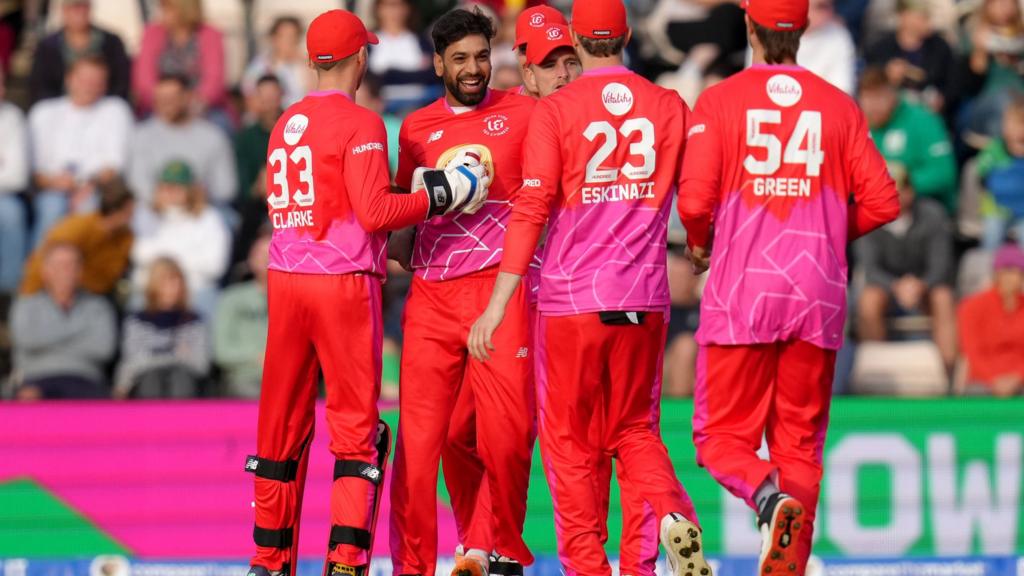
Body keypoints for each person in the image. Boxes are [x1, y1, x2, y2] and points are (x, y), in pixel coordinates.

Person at [468, 1, 708, 574]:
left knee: (570, 447)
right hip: (645, 298)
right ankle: (668, 521)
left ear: (576, 39)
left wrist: (498, 303)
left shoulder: (557, 111)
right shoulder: (669, 104)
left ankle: (586, 568)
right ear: (627, 34)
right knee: (636, 432)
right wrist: (699, 243)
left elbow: (531, 209)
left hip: (571, 301)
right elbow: (697, 197)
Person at [245, 9, 487, 576]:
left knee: (279, 427)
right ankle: (346, 563)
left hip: (285, 282)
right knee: (356, 434)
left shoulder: (286, 122)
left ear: (311, 61)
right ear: (360, 58)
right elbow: (377, 212)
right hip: (343, 283)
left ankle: (267, 562)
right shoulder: (361, 123)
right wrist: (445, 191)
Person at [676, 0, 900, 572]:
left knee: (719, 442)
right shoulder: (838, 107)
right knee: (800, 448)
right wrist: (825, 233)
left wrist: (700, 242)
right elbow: (883, 201)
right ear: (802, 30)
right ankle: (789, 563)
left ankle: (766, 497)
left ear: (748, 25)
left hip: (742, 292)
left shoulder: (720, 100)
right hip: (817, 294)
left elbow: (696, 201)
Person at [387, 9, 536, 576]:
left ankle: (492, 544)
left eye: (480, 57)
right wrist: (398, 239)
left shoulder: (523, 112)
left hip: (496, 293)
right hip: (431, 294)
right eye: (460, 60)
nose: (473, 70)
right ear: (437, 64)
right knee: (425, 447)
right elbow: (405, 196)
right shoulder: (416, 128)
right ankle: (417, 566)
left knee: (509, 435)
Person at [855, 163, 958, 373]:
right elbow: (870, 268)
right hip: (887, 287)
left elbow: (941, 264)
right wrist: (896, 286)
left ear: (910, 191)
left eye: (898, 190)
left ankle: (949, 372)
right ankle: (876, 372)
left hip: (926, 286)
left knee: (944, 298)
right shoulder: (866, 217)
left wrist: (919, 285)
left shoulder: (933, 215)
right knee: (868, 301)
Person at [28, 56, 133, 248]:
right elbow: (36, 171)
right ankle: (39, 268)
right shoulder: (43, 112)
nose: (89, 86)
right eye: (84, 80)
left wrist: (87, 185)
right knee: (52, 206)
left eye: (97, 82)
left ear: (104, 85)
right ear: (69, 79)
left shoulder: (116, 110)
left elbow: (115, 165)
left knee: (89, 207)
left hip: (98, 189)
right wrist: (55, 182)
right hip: (52, 189)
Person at [10, 242, 117, 400]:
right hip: (37, 378)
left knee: (103, 411)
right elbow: (28, 340)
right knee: (27, 402)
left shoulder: (98, 306)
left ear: (80, 271)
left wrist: (48, 341)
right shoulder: (26, 304)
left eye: (72, 264)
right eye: (59, 264)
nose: (66, 270)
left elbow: (103, 349)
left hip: (86, 379)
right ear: (45, 271)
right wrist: (79, 333)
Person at [130, 160, 229, 320]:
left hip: (195, 291)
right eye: (165, 186)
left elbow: (215, 266)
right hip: (151, 291)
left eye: (177, 187)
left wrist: (166, 263)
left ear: (191, 190)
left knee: (208, 299)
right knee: (136, 298)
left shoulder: (208, 217)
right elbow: (138, 254)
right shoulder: (146, 215)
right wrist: (183, 259)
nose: (170, 192)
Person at [127, 74, 237, 213]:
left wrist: (195, 197)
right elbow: (138, 184)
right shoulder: (142, 135)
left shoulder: (213, 136)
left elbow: (226, 189)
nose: (166, 104)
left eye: (171, 98)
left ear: (187, 97)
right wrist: (164, 199)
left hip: (201, 210)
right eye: (160, 99)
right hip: (155, 211)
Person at [858, 66, 957, 214]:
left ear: (893, 94)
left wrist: (906, 183)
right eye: (867, 98)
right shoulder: (856, 126)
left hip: (918, 206)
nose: (873, 106)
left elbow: (944, 173)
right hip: (871, 206)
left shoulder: (923, 120)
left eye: (879, 97)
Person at [20, 177, 134, 297]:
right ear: (119, 210)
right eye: (130, 211)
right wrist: (29, 295)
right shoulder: (77, 227)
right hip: (48, 293)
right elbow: (40, 262)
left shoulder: (125, 237)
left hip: (93, 296)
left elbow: (109, 276)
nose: (132, 216)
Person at [115, 257, 209, 399]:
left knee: (180, 378)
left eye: (175, 281)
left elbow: (200, 365)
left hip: (184, 382)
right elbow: (132, 362)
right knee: (151, 380)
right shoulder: (137, 321)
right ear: (153, 285)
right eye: (164, 282)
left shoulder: (193, 321)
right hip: (145, 382)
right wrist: (176, 355)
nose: (171, 288)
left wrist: (153, 356)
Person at [133, 0, 226, 117]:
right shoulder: (152, 33)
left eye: (168, 8)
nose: (162, 13)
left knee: (219, 124)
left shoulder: (211, 35)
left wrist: (191, 102)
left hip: (202, 107)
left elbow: (214, 80)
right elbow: (143, 79)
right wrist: (166, 101)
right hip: (158, 106)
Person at [29, 0, 131, 104]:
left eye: (83, 7)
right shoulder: (47, 46)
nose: (79, 12)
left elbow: (121, 83)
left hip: (102, 107)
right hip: (59, 110)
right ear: (64, 11)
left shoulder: (111, 42)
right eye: (74, 8)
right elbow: (39, 86)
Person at [865, 0, 956, 114]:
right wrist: (886, 77)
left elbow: (952, 86)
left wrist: (942, 100)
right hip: (892, 115)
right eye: (922, 17)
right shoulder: (880, 49)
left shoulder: (940, 48)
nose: (929, 22)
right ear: (904, 16)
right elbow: (868, 85)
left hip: (929, 114)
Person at [958, 244, 1024, 396]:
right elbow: (972, 352)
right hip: (983, 381)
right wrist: (993, 379)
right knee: (976, 393)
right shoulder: (972, 307)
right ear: (996, 274)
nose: (1011, 277)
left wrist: (1017, 377)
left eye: (1017, 272)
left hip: (1020, 380)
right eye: (1006, 271)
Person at [214, 232, 270, 398]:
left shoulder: (296, 299)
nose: (266, 259)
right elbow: (221, 351)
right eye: (261, 254)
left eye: (271, 253)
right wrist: (257, 357)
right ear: (250, 258)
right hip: (243, 378)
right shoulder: (231, 298)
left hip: (286, 378)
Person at [368, 0, 436, 112]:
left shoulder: (421, 41)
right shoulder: (369, 42)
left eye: (400, 6)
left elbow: (433, 75)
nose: (395, 11)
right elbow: (366, 78)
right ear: (378, 9)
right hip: (379, 109)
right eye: (389, 6)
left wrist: (390, 73)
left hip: (418, 106)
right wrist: (414, 75)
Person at [977, 95, 1024, 250]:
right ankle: (989, 268)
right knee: (992, 231)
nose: (1020, 131)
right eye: (1014, 124)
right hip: (998, 209)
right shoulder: (994, 151)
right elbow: (982, 174)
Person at [241, 16, 312, 108]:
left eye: (293, 36)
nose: (289, 41)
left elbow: (314, 93)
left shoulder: (306, 65)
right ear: (273, 38)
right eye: (284, 36)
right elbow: (249, 97)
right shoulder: (261, 65)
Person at [0, 64, 28, 294]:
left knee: (11, 212)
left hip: (4, 197)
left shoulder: (12, 117)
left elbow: (17, 177)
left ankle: (9, 292)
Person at [236, 75, 284, 201]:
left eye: (273, 98)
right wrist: (260, 185)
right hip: (259, 208)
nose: (269, 105)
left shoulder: (296, 129)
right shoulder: (246, 138)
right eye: (265, 99)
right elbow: (245, 188)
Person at [797, 0, 855, 94]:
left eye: (830, 6)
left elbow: (843, 92)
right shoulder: (775, 34)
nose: (829, 12)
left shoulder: (839, 35)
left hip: (820, 105)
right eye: (821, 7)